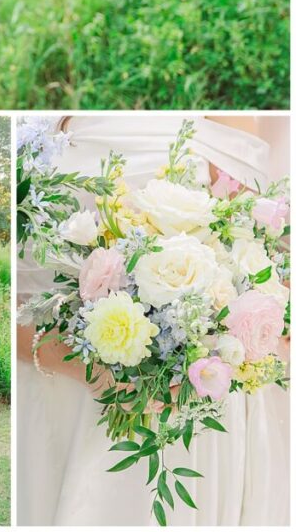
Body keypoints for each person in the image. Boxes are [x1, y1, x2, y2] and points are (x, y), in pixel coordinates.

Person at [16, 115, 290, 526]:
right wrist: (88, 371)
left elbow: (257, 244)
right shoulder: (26, 132)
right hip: (59, 397)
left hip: (190, 405)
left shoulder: (219, 108)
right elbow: (9, 299)